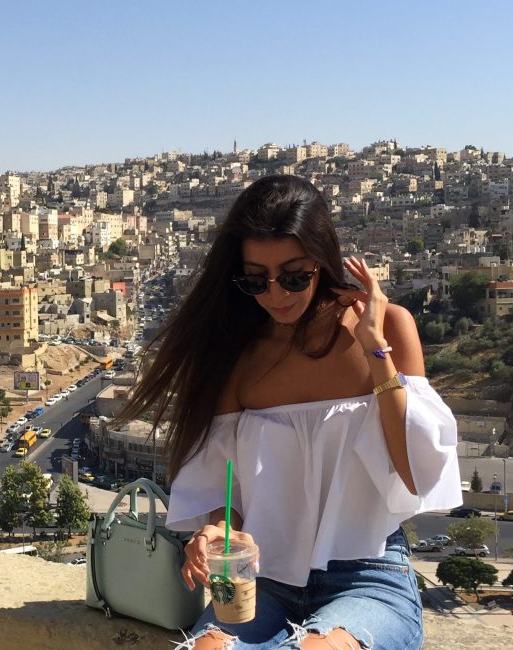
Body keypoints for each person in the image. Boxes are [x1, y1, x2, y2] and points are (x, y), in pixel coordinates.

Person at [116, 175, 462, 650]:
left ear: (322, 260)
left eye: (294, 276)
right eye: (256, 279)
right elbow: (228, 485)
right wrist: (218, 531)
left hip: (368, 573)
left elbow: (413, 472)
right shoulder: (237, 355)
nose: (276, 294)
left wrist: (374, 349)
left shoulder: (389, 326)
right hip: (262, 577)